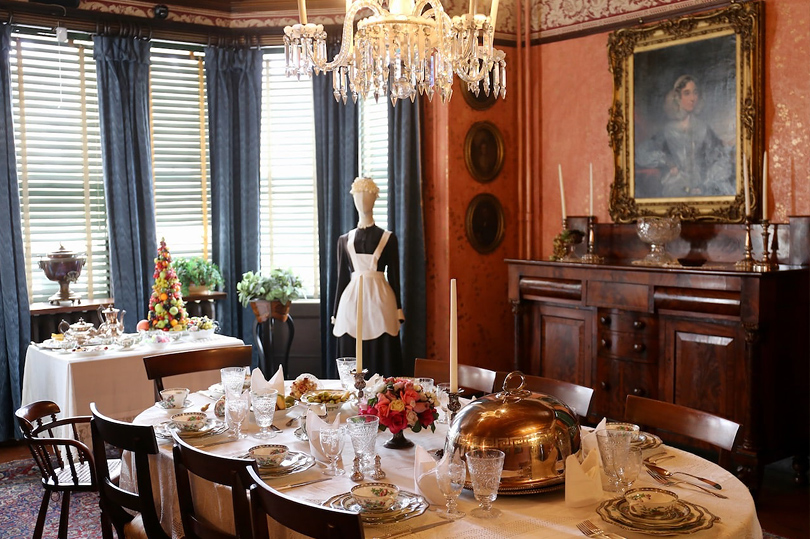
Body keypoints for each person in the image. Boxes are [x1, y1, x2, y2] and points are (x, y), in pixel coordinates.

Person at [332, 177, 404, 375]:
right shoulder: (344, 240)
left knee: (383, 355)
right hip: (351, 303)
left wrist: (398, 309)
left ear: (375, 199)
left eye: (368, 196)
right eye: (358, 196)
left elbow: (396, 277)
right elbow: (341, 279)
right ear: (353, 199)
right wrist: (336, 311)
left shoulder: (389, 239)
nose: (363, 201)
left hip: (382, 301)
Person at [635, 75, 734, 199]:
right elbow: (643, 152)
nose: (692, 98)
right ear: (677, 98)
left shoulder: (703, 128)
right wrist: (667, 161)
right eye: (687, 93)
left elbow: (718, 158)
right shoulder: (668, 130)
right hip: (675, 186)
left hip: (702, 188)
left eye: (695, 93)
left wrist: (704, 185)